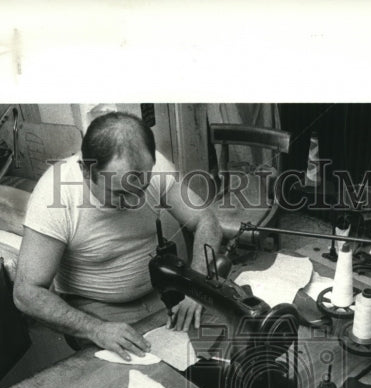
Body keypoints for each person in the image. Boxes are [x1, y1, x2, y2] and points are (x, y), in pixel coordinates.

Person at [14, 111, 222, 360]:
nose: (134, 202)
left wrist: (196, 287)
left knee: (218, 348)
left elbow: (205, 220)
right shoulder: (54, 195)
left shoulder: (155, 168)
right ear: (86, 171)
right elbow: (26, 292)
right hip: (97, 312)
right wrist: (95, 329)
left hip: (162, 294)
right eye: (120, 193)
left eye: (141, 189)